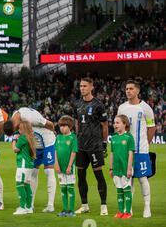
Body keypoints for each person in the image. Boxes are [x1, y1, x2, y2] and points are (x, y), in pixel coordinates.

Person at [117, 80, 155, 218]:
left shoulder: (145, 108)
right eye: (126, 88)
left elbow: (152, 128)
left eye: (131, 89)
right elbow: (119, 126)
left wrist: (146, 143)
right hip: (126, 150)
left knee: (142, 179)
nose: (128, 91)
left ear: (137, 91)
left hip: (141, 150)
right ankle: (129, 208)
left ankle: (147, 207)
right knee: (128, 179)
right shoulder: (121, 108)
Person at [9, 107, 57, 212]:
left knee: (49, 171)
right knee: (33, 173)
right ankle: (30, 205)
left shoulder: (31, 117)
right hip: (35, 145)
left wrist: (53, 133)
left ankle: (50, 205)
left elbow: (50, 124)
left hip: (47, 141)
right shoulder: (14, 118)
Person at [73, 77, 109, 216]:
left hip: (95, 145)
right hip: (81, 146)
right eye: (81, 86)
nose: (82, 88)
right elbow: (77, 123)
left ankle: (103, 205)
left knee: (98, 175)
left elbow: (105, 125)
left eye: (85, 86)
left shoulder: (98, 105)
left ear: (91, 87)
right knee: (81, 176)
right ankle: (84, 205)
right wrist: (77, 139)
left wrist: (104, 143)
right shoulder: (77, 104)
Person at [110, 115, 135, 219]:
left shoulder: (129, 137)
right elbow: (112, 153)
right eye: (114, 123)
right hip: (116, 168)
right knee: (119, 190)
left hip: (125, 168)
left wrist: (129, 169)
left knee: (127, 189)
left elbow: (130, 154)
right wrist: (111, 168)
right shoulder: (114, 137)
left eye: (117, 123)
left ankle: (128, 212)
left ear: (124, 124)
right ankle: (120, 211)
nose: (115, 125)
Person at [54, 115, 78, 217]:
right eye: (61, 126)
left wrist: (69, 166)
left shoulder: (73, 137)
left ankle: (71, 210)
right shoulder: (58, 137)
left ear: (70, 127)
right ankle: (64, 209)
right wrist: (56, 164)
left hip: (69, 168)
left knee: (70, 188)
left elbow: (73, 152)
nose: (62, 128)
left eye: (64, 126)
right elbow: (55, 151)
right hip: (60, 167)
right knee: (63, 188)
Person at [12, 120, 36, 215]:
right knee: (26, 185)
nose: (19, 130)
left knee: (20, 184)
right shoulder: (30, 137)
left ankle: (22, 207)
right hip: (29, 164)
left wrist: (14, 140)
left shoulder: (23, 138)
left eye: (20, 128)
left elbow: (15, 149)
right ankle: (29, 207)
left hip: (23, 164)